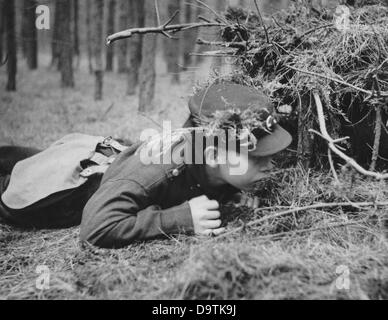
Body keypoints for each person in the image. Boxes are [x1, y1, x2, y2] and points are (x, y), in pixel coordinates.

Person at [0, 82, 292, 248]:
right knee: (15, 180)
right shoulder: (158, 172)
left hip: (101, 157)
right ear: (214, 154)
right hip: (60, 194)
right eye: (255, 157)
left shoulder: (206, 155)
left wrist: (236, 191)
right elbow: (94, 230)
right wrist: (179, 219)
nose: (270, 165)